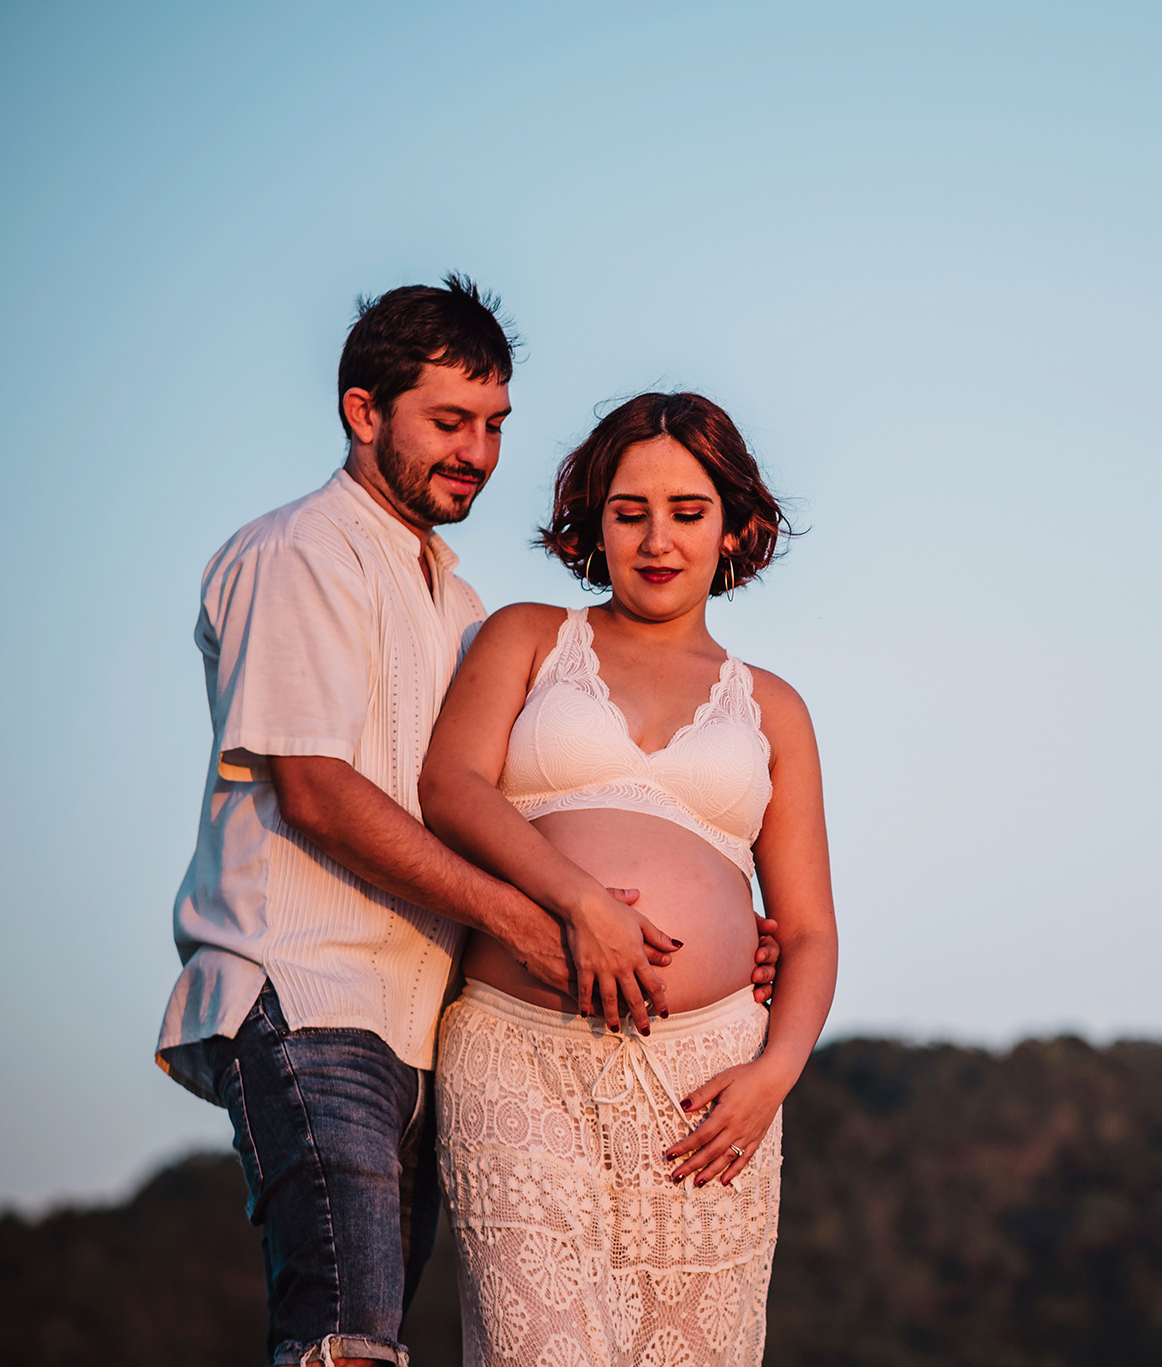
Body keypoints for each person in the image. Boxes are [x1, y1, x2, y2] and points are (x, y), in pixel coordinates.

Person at [155, 278, 778, 1367]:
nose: (478, 451)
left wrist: (722, 919)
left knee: (381, 1332)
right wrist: (547, 919)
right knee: (343, 1333)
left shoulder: (462, 606)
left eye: (493, 424)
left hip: (422, 1015)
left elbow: (544, 804)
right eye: (448, 421)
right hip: (312, 989)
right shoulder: (301, 552)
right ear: (363, 413)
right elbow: (317, 790)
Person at [419, 391, 838, 1367]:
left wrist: (773, 1075)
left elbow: (809, 928)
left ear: (734, 524)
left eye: (688, 512)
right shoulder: (529, 635)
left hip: (708, 1087)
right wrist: (580, 900)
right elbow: (449, 788)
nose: (657, 539)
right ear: (592, 520)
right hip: (519, 1053)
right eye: (629, 510)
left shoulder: (773, 705)